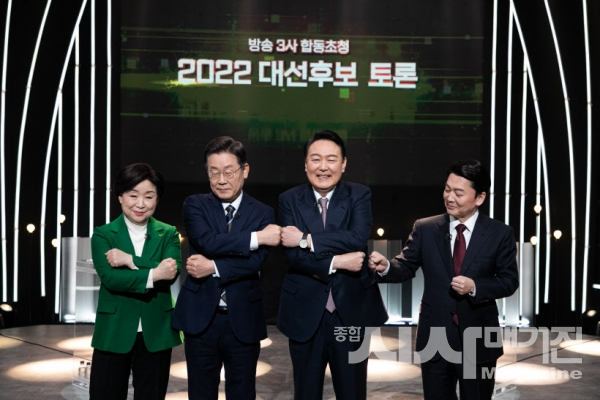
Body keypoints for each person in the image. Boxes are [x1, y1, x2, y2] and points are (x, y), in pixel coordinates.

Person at [369, 159, 519, 400]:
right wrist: (387, 267)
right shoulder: (425, 228)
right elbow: (405, 266)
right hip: (435, 336)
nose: (450, 197)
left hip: (479, 338)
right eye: (447, 189)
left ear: (480, 197)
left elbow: (509, 280)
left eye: (458, 193)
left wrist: (475, 287)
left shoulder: (500, 233)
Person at [278, 129, 388, 400]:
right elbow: (292, 256)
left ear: (344, 163)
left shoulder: (359, 194)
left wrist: (305, 239)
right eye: (316, 159)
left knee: (352, 392)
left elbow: (356, 238)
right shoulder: (289, 199)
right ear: (306, 164)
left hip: (350, 311)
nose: (323, 167)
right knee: (306, 393)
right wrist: (338, 261)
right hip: (305, 312)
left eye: (331, 159)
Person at [172, 136, 280, 400]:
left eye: (229, 172)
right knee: (200, 393)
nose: (221, 180)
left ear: (245, 170)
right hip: (201, 320)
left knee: (242, 393)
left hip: (243, 318)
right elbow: (207, 241)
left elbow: (255, 261)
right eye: (214, 172)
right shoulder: (195, 204)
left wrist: (213, 266)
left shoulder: (263, 212)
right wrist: (257, 238)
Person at [89, 163, 182, 400]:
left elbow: (172, 271)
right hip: (114, 329)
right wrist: (155, 273)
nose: (140, 204)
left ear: (157, 199)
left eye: (149, 196)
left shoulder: (168, 233)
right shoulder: (103, 234)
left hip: (156, 330)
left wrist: (129, 260)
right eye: (133, 195)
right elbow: (112, 279)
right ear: (120, 196)